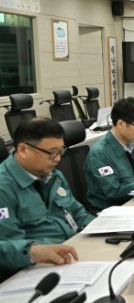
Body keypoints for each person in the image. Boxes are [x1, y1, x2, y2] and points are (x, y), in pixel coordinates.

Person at [0, 118, 94, 279]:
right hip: (33, 270)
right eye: (52, 152)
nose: (58, 159)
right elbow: (5, 245)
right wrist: (33, 251)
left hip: (72, 253)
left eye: (61, 151)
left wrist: (100, 228)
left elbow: (77, 212)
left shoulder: (52, 174)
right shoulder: (4, 188)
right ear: (23, 150)